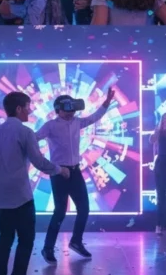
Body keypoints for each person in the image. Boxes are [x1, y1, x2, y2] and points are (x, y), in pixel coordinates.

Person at [0, 92, 69, 275]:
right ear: (20, 108)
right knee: (25, 239)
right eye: (28, 106)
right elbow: (39, 162)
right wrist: (60, 170)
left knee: (5, 238)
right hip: (20, 195)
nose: (31, 110)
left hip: (0, 195)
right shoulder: (25, 132)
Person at [36, 88, 115, 264]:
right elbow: (34, 138)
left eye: (73, 108)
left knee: (84, 208)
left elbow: (95, 117)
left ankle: (76, 241)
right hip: (59, 172)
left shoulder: (77, 122)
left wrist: (107, 102)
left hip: (75, 171)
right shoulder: (50, 126)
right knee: (60, 212)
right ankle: (48, 248)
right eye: (67, 108)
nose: (71, 112)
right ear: (58, 109)